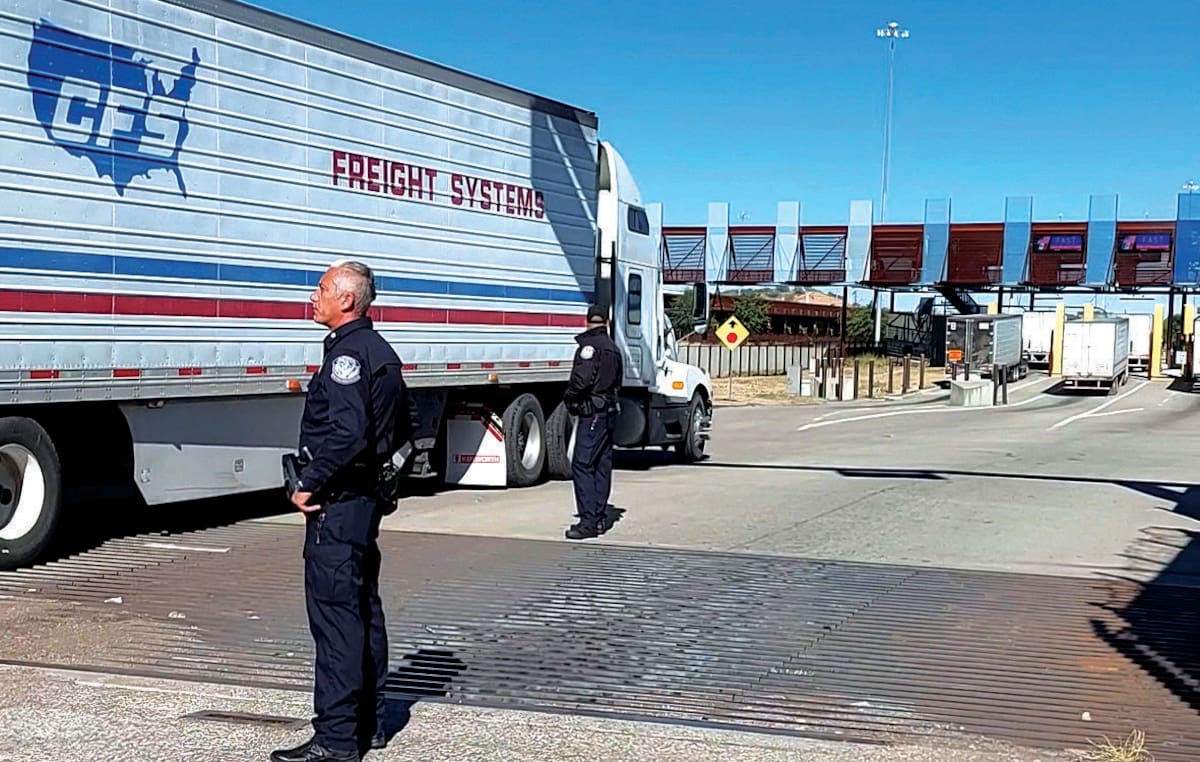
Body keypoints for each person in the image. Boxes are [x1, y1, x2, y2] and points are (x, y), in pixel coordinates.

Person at [272, 260, 413, 762]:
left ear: (347, 300)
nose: (314, 297)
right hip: (362, 501)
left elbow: (348, 434)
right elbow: (400, 429)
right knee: (362, 611)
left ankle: (335, 739)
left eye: (322, 289)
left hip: (339, 502)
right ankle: (369, 724)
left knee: (336, 621)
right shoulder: (379, 351)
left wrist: (309, 482)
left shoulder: (348, 356)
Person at [562, 304, 623, 540]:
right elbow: (618, 381)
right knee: (601, 464)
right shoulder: (613, 348)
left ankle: (588, 522)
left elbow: (581, 381)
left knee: (582, 464)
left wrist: (570, 398)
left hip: (593, 412)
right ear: (606, 322)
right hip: (608, 412)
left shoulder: (589, 348)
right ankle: (599, 519)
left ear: (587, 322)